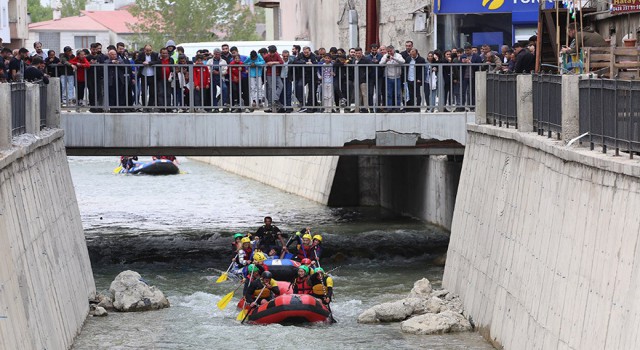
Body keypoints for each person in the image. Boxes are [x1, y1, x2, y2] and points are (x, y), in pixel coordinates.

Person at [379, 45, 405, 111]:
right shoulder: (385, 56)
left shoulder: (398, 55)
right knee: (388, 93)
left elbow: (403, 62)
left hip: (397, 77)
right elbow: (380, 64)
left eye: (390, 51)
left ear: (393, 50)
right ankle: (389, 108)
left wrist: (394, 58)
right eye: (388, 51)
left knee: (398, 94)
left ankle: (397, 108)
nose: (389, 53)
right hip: (388, 77)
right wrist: (386, 60)